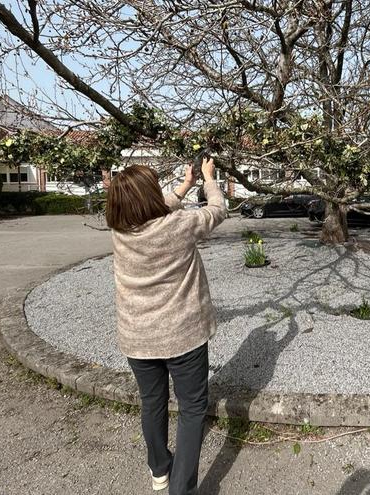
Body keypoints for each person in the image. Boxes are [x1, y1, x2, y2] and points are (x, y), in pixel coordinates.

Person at [105, 158, 226, 494]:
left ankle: (159, 469)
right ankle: (181, 490)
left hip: (137, 337)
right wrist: (207, 178)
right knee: (192, 409)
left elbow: (159, 207)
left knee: (152, 401)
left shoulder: (121, 231)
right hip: (182, 335)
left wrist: (184, 186)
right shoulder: (180, 225)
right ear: (149, 198)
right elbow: (216, 209)